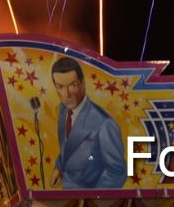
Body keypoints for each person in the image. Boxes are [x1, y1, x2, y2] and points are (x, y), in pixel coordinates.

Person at [49, 56, 126, 190]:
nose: (66, 94)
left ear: (83, 83)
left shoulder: (104, 124)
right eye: (60, 87)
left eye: (72, 85)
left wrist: (93, 201)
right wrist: (59, 167)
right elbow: (68, 148)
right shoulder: (63, 111)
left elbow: (117, 172)